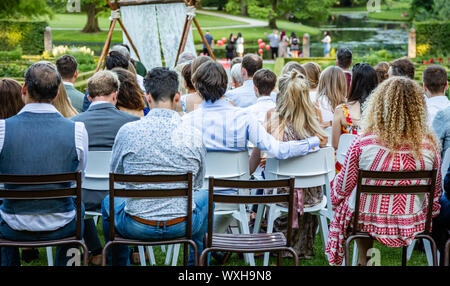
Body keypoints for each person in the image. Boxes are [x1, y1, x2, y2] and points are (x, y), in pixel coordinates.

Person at [183, 61, 327, 235]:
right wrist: (312, 141)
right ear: (225, 86)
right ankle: (217, 241)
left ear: (197, 89)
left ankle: (206, 244)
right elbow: (278, 150)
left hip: (198, 196)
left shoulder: (187, 121)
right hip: (236, 195)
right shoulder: (243, 117)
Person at [325, 76, 442, 266]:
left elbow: (342, 189)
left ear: (380, 105)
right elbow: (436, 193)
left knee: (357, 204)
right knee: (365, 204)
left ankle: (365, 260)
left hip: (366, 219)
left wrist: (337, 202)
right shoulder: (429, 146)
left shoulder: (363, 143)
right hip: (411, 218)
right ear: (418, 108)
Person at [101, 67, 208, 266]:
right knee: (206, 198)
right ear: (177, 97)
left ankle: (119, 262)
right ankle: (196, 265)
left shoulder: (127, 132)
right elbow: (197, 184)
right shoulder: (194, 134)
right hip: (182, 223)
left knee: (109, 201)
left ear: (147, 97)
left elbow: (116, 176)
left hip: (137, 223)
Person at [0, 61, 88, 266]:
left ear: (24, 89)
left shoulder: (2, 130)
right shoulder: (77, 130)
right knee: (79, 205)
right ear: (57, 94)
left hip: (12, 223)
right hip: (63, 223)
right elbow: (78, 180)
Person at [249, 69, 328, 259]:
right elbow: (324, 143)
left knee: (264, 179)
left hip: (279, 194)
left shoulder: (272, 116)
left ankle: (268, 234)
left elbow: (258, 152)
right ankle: (301, 245)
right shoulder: (315, 114)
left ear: (281, 95)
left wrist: (246, 175)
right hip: (312, 195)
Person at [70, 70, 139, 265]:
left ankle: (96, 249)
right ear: (115, 95)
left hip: (84, 195)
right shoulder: (133, 123)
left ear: (89, 97)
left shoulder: (73, 124)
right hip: (120, 195)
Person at [331, 63, 378, 173]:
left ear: (354, 83)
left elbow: (335, 145)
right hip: (373, 168)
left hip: (346, 170)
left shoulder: (341, 110)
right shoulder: (382, 111)